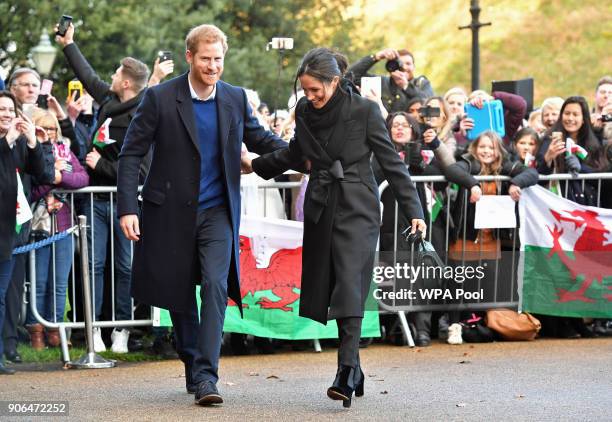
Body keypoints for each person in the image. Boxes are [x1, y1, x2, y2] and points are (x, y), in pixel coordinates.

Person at [243, 47, 426, 407]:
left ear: (335, 80)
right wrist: (255, 164)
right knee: (334, 283)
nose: (311, 97)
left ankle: (344, 370)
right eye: (306, 90)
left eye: (316, 90)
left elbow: (391, 163)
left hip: (358, 205)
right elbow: (295, 154)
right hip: (322, 205)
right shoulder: (306, 114)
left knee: (350, 282)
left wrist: (413, 209)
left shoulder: (366, 111)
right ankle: (354, 368)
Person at [117, 24, 289, 406]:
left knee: (215, 285)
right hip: (169, 214)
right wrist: (128, 207)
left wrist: (299, 154)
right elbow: (130, 154)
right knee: (178, 295)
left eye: (219, 59)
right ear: (190, 57)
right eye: (206, 59)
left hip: (217, 213)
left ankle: (207, 377)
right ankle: (192, 360)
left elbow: (261, 139)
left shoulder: (235, 98)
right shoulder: (160, 98)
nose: (213, 66)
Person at [55, 22, 151, 353]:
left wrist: (101, 166)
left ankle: (122, 330)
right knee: (93, 266)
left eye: (116, 73)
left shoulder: (144, 114)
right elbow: (88, 76)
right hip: (95, 202)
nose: (110, 76)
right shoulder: (109, 101)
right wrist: (69, 44)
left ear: (127, 82)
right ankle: (93, 329)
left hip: (125, 204)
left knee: (125, 267)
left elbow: (141, 169)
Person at [25, 109, 88, 349]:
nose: (49, 133)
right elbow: (30, 189)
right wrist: (50, 179)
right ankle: (35, 331)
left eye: (52, 128)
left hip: (64, 226)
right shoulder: (28, 153)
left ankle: (55, 329)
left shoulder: (65, 151)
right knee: (39, 282)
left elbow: (83, 179)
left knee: (60, 282)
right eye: (44, 128)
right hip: (38, 226)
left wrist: (58, 176)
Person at [0, 91, 47, 374]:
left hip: (7, 232)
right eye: (1, 109)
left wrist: (31, 142)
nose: (6, 114)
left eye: (9, 109)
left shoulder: (17, 142)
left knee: (1, 295)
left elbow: (40, 172)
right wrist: (7, 142)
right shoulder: (6, 143)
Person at [347, 48, 433, 113]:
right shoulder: (381, 82)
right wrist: (376, 57)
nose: (404, 67)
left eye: (408, 63)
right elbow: (350, 76)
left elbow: (432, 110)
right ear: (392, 66)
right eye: (400, 64)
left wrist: (406, 87)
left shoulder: (421, 83)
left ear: (414, 66)